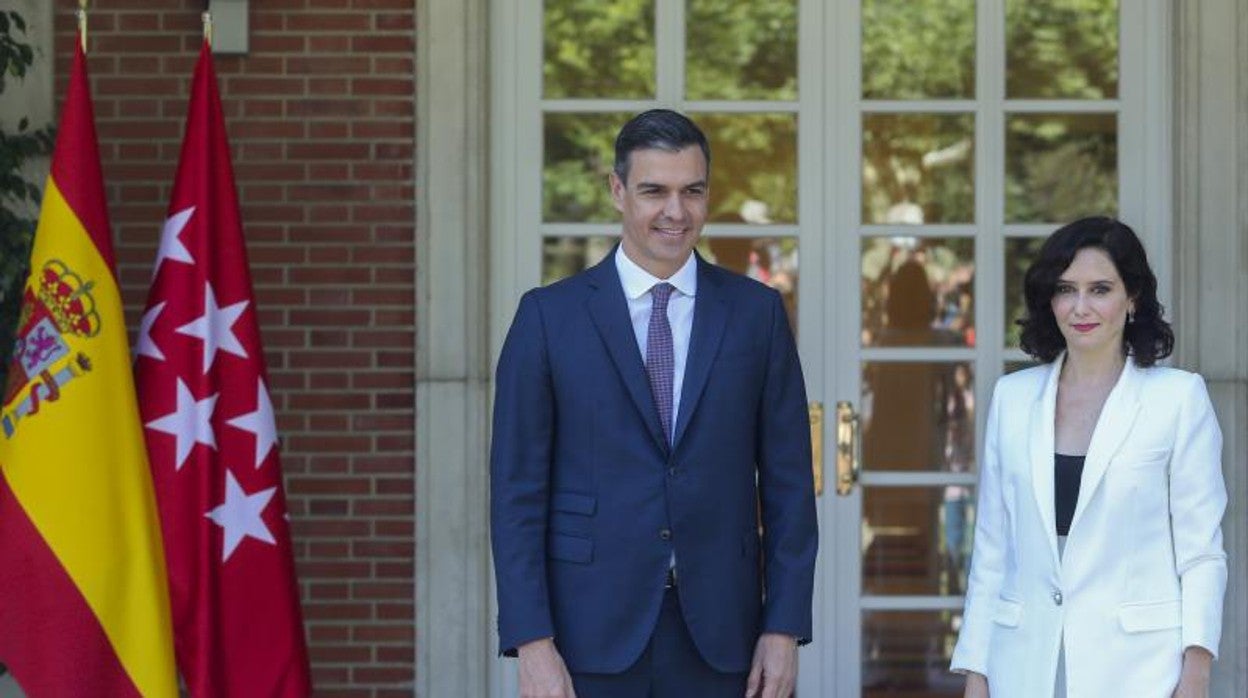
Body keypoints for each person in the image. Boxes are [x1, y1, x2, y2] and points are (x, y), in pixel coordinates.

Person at [490, 109, 818, 698]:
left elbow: (790, 484)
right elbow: (516, 491)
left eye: (692, 191)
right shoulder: (548, 317)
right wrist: (531, 639)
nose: (676, 211)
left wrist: (784, 627)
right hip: (585, 635)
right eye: (654, 191)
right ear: (618, 191)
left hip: (724, 637)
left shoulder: (756, 314)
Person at [951, 217, 1227, 697]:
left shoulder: (1179, 400)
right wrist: (976, 671)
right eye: (1065, 289)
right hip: (1023, 663)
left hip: (1139, 671)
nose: (1081, 307)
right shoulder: (1012, 399)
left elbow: (1201, 552)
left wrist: (1197, 670)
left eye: (1100, 289)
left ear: (1132, 297)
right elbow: (992, 551)